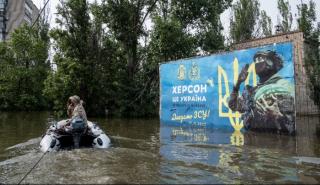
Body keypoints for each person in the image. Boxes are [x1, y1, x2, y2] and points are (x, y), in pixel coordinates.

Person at [228, 50, 295, 134]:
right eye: (255, 61)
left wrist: (277, 116)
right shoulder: (251, 91)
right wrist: (238, 83)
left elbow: (291, 127)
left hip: (273, 142)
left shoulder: (283, 86)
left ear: (271, 64)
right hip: (250, 142)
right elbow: (233, 106)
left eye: (260, 59)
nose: (257, 63)